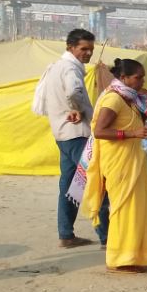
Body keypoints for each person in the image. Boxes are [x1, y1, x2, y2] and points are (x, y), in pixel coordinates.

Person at [80, 58, 147, 272]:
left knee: (137, 208)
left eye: (143, 77)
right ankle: (122, 258)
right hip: (118, 161)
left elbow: (134, 121)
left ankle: (139, 254)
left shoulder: (130, 98)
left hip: (132, 158)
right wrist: (133, 133)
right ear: (124, 78)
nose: (141, 81)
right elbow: (99, 131)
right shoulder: (114, 99)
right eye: (138, 77)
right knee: (122, 209)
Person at [31, 28, 108, 248]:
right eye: (83, 49)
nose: (88, 53)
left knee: (69, 185)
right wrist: (80, 110)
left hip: (62, 135)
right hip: (77, 134)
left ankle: (66, 234)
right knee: (96, 182)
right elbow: (74, 92)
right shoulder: (71, 69)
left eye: (90, 49)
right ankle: (107, 236)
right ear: (70, 47)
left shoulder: (57, 67)